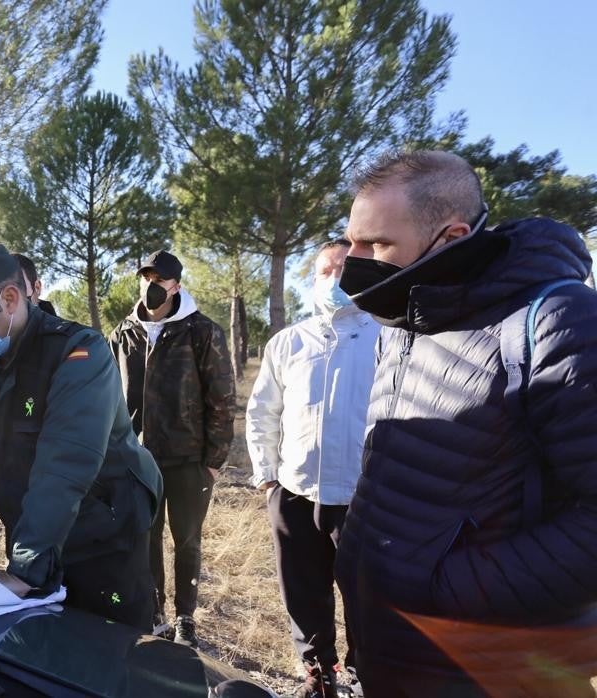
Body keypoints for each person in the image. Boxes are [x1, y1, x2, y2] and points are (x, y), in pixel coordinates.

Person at [333, 150, 597, 696]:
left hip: (486, 662)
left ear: (451, 238)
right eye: (351, 240)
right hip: (393, 641)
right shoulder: (407, 313)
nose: (350, 260)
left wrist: (443, 587)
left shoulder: (558, 321)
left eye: (375, 244)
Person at [0, 243, 162, 630]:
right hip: (36, 531)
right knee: (46, 646)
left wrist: (26, 570)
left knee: (110, 646)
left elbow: (65, 464)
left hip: (104, 530)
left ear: (10, 299)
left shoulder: (80, 352)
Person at [245, 240, 376, 698]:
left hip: (362, 498)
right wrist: (267, 478)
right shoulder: (289, 341)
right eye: (325, 270)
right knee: (302, 593)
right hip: (296, 492)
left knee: (365, 596)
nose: (334, 279)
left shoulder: (386, 335)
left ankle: (362, 678)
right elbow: (262, 412)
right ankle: (319, 675)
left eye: (344, 269)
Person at [107, 249, 235, 646]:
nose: (151, 285)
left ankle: (185, 617)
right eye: (145, 277)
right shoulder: (122, 334)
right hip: (137, 460)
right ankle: (154, 609)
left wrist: (212, 462)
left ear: (176, 286)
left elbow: (223, 398)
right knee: (146, 536)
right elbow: (110, 397)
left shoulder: (202, 331)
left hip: (188, 460)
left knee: (187, 540)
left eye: (159, 280)